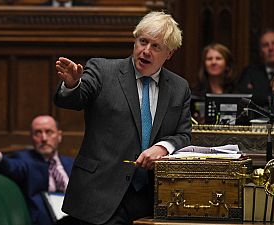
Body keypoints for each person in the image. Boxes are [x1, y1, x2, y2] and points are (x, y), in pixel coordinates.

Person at [54, 10, 191, 225]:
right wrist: (73, 85)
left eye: (156, 46)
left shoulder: (179, 87)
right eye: (142, 41)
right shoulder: (102, 70)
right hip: (100, 193)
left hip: (150, 199)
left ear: (170, 53)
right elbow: (75, 99)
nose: (146, 51)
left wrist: (163, 147)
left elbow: (183, 134)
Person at [0, 115, 74, 225]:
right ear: (31, 137)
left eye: (49, 132)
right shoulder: (25, 160)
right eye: (38, 133)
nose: (44, 138)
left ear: (59, 136)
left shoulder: (71, 163)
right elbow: (13, 166)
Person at [236, 29, 274, 109]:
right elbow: (242, 99)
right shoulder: (250, 73)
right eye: (265, 45)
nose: (270, 48)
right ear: (260, 52)